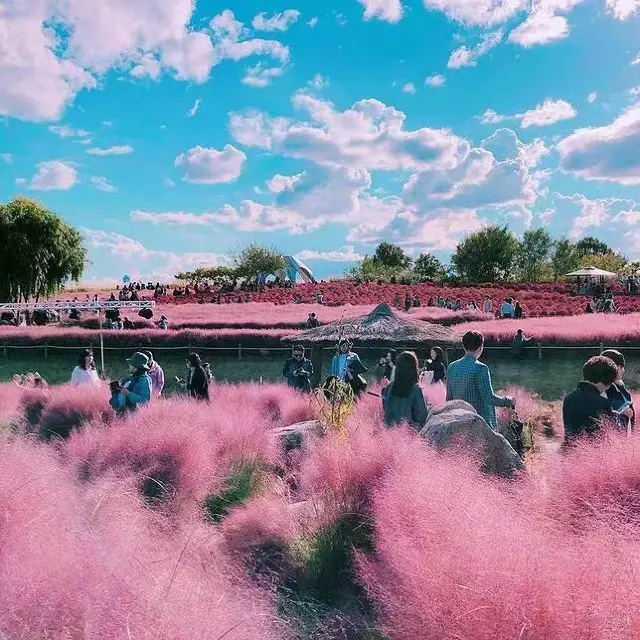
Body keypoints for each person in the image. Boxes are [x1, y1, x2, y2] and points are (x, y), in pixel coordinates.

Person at [446, 331, 515, 430]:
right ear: (480, 347)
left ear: (464, 346)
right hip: (480, 423)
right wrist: (509, 401)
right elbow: (489, 398)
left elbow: (449, 399)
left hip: (459, 421)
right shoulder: (481, 368)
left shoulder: (452, 366)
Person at [562, 356, 626, 446]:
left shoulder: (569, 398)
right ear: (604, 381)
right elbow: (609, 430)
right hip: (590, 452)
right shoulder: (601, 402)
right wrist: (624, 417)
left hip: (570, 449)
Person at [381, 351, 429, 430]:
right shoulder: (416, 390)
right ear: (414, 368)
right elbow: (422, 416)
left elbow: (385, 409)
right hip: (409, 435)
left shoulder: (388, 388)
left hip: (388, 434)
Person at [602, 349, 635, 432]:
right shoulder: (602, 391)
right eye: (621, 367)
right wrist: (624, 416)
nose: (623, 370)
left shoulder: (620, 388)